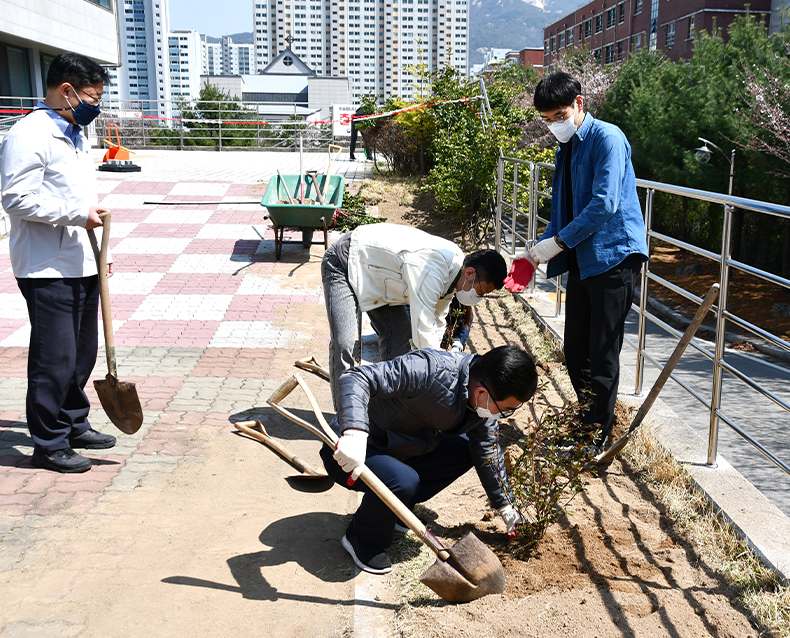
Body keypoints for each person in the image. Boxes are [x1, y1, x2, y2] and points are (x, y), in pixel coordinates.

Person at [508, 72, 648, 453]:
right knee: (574, 349)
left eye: (560, 114)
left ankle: (597, 435)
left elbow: (604, 204)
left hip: (614, 256)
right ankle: (589, 421)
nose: (555, 124)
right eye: (547, 118)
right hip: (584, 259)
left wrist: (557, 243)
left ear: (579, 103)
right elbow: (564, 208)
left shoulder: (608, 139)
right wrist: (538, 250)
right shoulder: (566, 147)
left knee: (602, 351)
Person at [319, 345, 538, 574]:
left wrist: (506, 505)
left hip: (402, 450)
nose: (502, 416)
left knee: (465, 449)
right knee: (404, 480)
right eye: (505, 410)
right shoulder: (429, 369)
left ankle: (394, 509)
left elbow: (486, 450)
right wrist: (354, 433)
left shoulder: (480, 403)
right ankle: (362, 537)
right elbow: (357, 377)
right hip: (351, 452)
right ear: (482, 393)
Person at [0, 52, 116, 473]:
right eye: (91, 95)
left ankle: (73, 422)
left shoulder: (75, 131)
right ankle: (48, 442)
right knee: (55, 358)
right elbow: (16, 198)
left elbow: (79, 197)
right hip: (46, 266)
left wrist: (100, 253)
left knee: (82, 353)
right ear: (66, 90)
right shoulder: (28, 134)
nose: (95, 104)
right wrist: (74, 215)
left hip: (80, 258)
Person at [321, 222, 508, 408]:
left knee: (400, 339)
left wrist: (443, 359)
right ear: (470, 273)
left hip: (380, 279)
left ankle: (390, 408)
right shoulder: (432, 269)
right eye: (481, 291)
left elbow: (437, 319)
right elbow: (423, 329)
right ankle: (343, 416)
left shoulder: (454, 273)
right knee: (344, 344)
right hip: (346, 261)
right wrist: (443, 374)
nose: (478, 297)